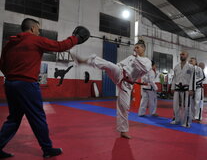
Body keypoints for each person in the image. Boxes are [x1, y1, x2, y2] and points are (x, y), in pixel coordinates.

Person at [0, 18, 90, 158]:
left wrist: (12, 76)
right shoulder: (34, 39)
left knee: (13, 118)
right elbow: (60, 46)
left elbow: (2, 65)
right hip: (27, 85)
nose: (39, 31)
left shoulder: (9, 43)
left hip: (10, 84)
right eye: (38, 28)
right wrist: (75, 38)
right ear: (32, 28)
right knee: (37, 117)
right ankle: (47, 149)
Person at [72, 40, 151, 139]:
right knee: (109, 65)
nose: (135, 49)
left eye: (137, 47)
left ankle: (123, 131)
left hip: (127, 84)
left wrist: (136, 58)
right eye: (134, 47)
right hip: (120, 74)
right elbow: (120, 64)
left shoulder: (147, 61)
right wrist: (117, 68)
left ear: (143, 48)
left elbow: (144, 68)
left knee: (124, 107)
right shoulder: (131, 57)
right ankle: (83, 61)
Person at [171, 51, 195, 128]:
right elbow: (174, 78)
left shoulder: (191, 67)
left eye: (183, 54)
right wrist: (172, 87)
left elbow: (192, 79)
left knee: (186, 106)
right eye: (181, 54)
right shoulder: (176, 66)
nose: (181, 55)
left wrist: (192, 89)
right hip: (177, 88)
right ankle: (177, 119)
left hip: (186, 89)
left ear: (187, 56)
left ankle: (186, 122)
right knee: (175, 105)